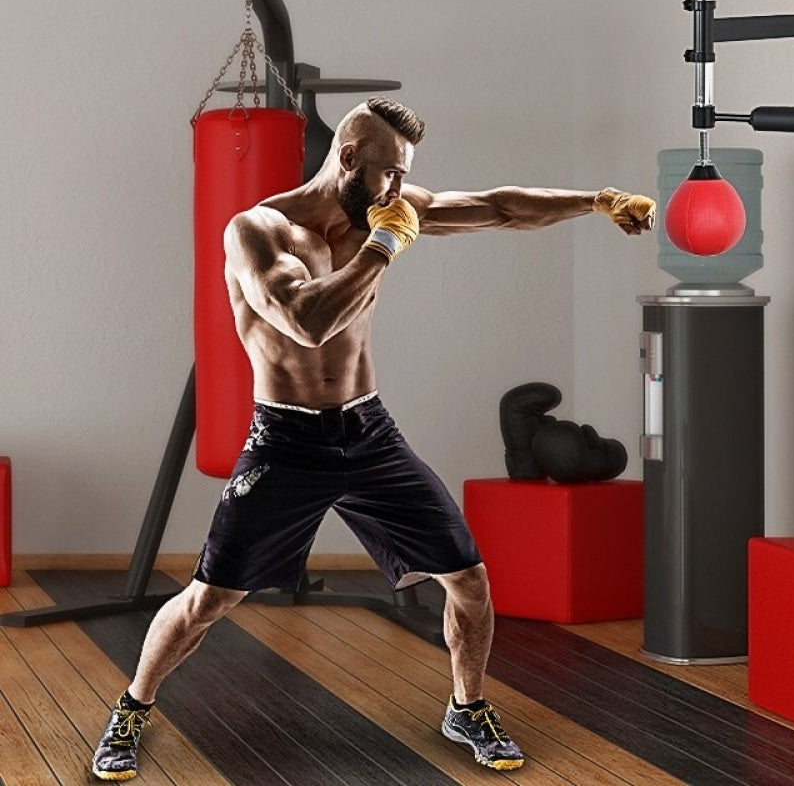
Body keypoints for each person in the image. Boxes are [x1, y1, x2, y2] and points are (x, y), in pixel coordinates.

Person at [91, 97, 655, 780]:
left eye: (404, 174)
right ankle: (132, 707)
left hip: (368, 430)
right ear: (350, 157)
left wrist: (597, 201)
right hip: (285, 440)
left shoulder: (386, 208)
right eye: (388, 172)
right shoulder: (259, 230)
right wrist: (384, 247)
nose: (397, 189)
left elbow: (499, 207)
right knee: (210, 598)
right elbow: (307, 322)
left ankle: (466, 707)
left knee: (469, 580)